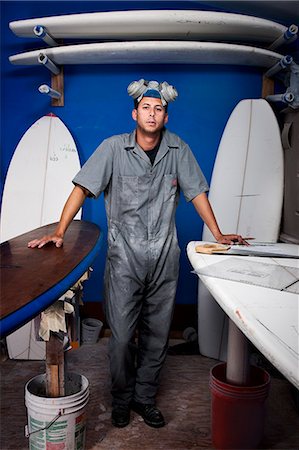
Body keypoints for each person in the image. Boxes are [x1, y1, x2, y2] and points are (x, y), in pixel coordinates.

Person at [28, 79, 247, 429]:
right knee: (120, 341)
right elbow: (81, 189)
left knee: (157, 337)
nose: (152, 113)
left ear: (165, 116)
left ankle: (145, 399)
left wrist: (218, 233)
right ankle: (121, 399)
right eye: (146, 107)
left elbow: (197, 193)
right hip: (124, 262)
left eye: (158, 109)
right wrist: (59, 231)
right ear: (135, 113)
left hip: (164, 259)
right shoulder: (113, 149)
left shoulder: (178, 150)